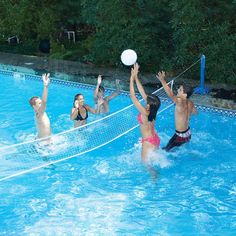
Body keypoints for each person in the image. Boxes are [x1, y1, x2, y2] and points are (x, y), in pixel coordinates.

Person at [156, 71, 197, 151]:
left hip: (181, 136)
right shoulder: (190, 103)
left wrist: (162, 80)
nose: (178, 90)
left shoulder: (179, 102)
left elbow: (170, 94)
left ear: (185, 95)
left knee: (164, 151)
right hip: (187, 133)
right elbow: (195, 112)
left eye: (180, 90)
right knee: (168, 148)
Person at [130, 63, 161, 162]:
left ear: (150, 105)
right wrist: (136, 77)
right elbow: (142, 91)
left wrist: (131, 79)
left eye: (148, 103)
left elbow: (133, 96)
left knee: (147, 166)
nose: (146, 103)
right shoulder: (153, 110)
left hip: (148, 142)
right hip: (154, 138)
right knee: (152, 164)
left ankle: (155, 178)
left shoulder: (145, 113)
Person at [29, 73, 51, 139]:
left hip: (46, 140)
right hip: (43, 144)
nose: (42, 105)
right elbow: (44, 101)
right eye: (39, 103)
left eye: (41, 103)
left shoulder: (41, 113)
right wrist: (45, 86)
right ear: (34, 106)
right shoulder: (39, 113)